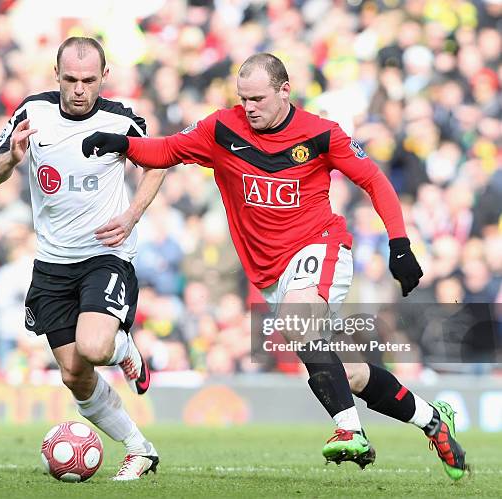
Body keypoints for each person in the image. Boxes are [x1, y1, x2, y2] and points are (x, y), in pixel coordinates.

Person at [82, 53, 468, 480]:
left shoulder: (321, 134)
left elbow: (374, 180)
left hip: (321, 246)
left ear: (285, 90)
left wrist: (399, 242)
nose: (250, 107)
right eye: (243, 98)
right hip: (270, 273)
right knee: (347, 373)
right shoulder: (222, 129)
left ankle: (348, 430)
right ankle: (432, 420)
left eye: (259, 98)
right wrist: (125, 145)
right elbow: (168, 150)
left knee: (296, 320)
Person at [0, 37, 163, 480]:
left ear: (104, 76)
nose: (79, 89)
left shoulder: (120, 119)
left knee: (95, 346)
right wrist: (12, 156)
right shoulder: (32, 112)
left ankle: (124, 348)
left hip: (105, 253)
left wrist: (132, 214)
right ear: (56, 75)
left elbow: (158, 163)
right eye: (70, 79)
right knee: (73, 375)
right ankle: (140, 449)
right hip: (52, 262)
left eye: (88, 80)